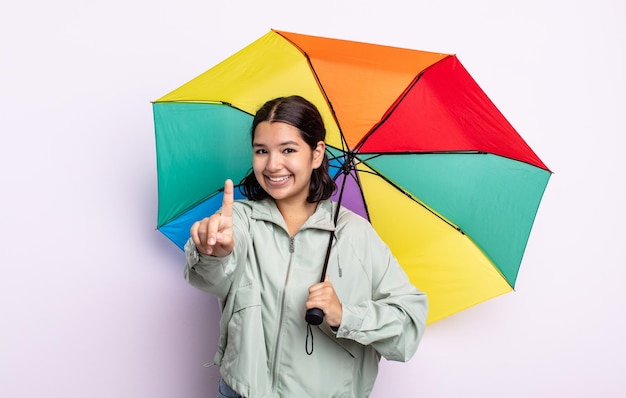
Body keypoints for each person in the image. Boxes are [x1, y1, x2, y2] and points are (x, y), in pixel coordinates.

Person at [184, 95, 428, 398]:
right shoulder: (240, 220)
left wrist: (344, 315)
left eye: (288, 149)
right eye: (262, 151)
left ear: (316, 154)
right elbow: (212, 279)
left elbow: (408, 329)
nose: (272, 165)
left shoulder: (354, 234)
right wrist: (214, 254)